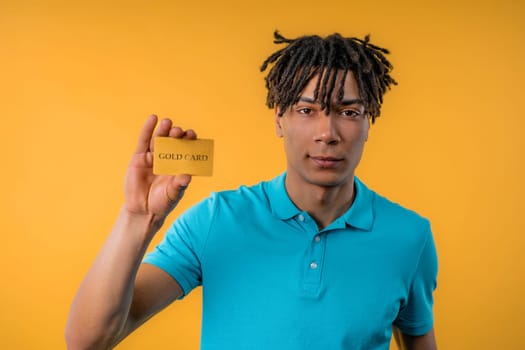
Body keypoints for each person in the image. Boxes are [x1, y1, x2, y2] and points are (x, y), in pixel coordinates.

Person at [65, 31, 438, 350]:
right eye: (307, 111)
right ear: (279, 119)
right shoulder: (216, 221)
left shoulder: (410, 236)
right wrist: (137, 217)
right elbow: (89, 340)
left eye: (348, 112)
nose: (328, 132)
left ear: (368, 123)